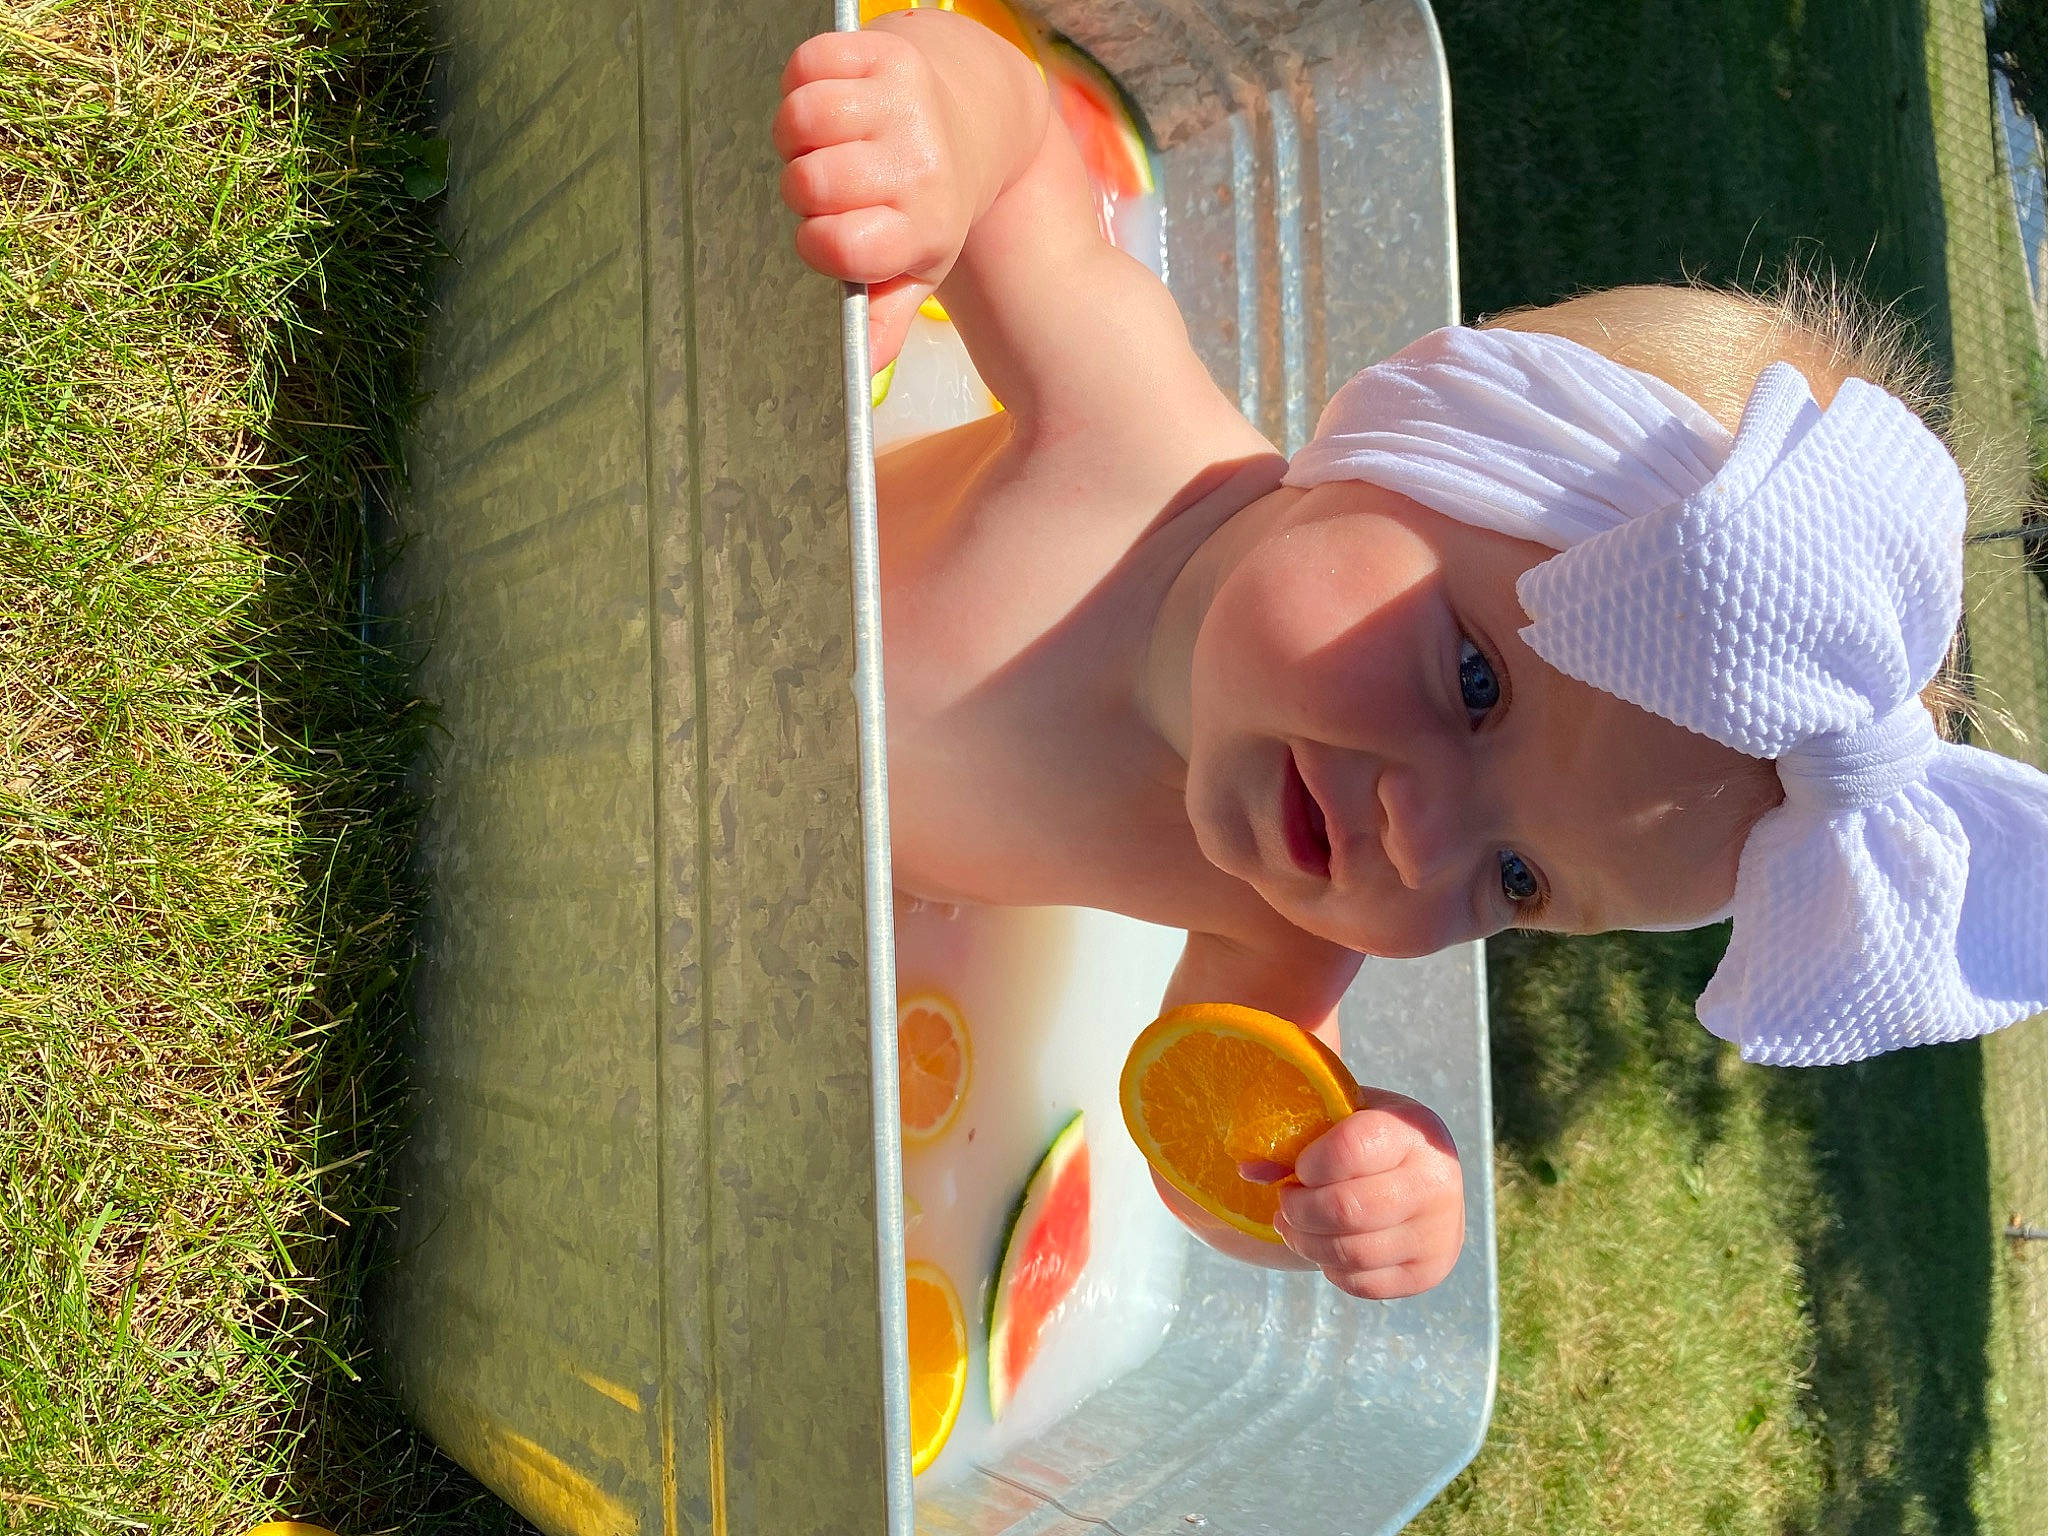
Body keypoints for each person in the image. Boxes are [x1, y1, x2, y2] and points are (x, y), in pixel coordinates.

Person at [772, 7, 2048, 1300]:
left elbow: (1199, 1130)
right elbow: (1031, 148)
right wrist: (931, 128)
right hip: (722, 540)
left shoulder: (1274, 912)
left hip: (769, 870)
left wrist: (1334, 1173)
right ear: (1409, 442)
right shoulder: (1129, 447)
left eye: (1517, 879)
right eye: (1477, 684)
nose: (1420, 842)